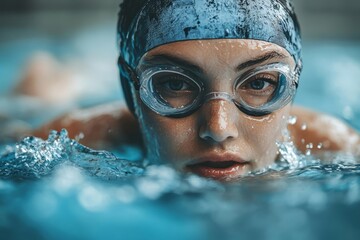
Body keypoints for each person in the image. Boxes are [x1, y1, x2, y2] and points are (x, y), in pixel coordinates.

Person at [32, 0, 360, 181]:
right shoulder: (73, 138)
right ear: (131, 92)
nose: (218, 129)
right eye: (174, 84)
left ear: (292, 87)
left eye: (259, 83)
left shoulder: (342, 148)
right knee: (39, 89)